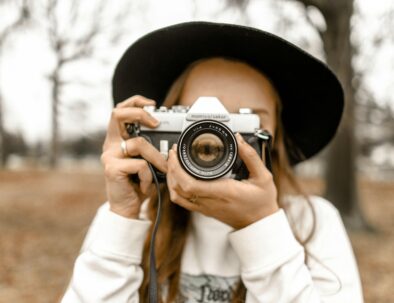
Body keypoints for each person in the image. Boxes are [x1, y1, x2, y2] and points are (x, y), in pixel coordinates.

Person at [61, 22, 363, 302]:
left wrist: (261, 227)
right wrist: (121, 218)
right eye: (198, 119)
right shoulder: (130, 217)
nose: (222, 138)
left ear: (275, 137)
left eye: (246, 120)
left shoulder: (313, 221)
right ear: (162, 126)